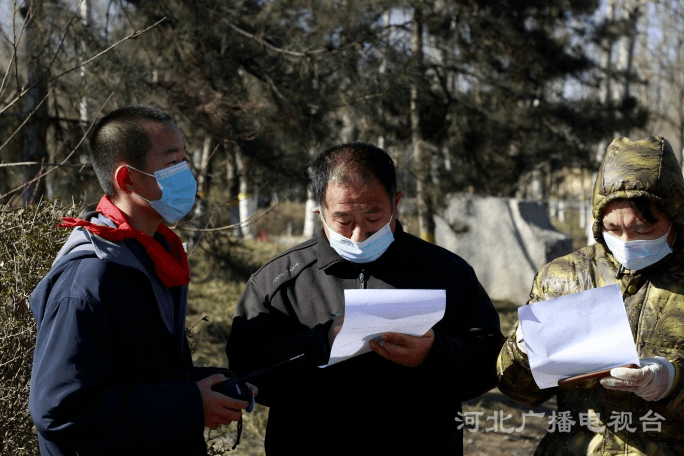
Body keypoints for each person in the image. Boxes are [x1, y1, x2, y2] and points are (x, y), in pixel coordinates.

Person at [226, 141, 504, 456]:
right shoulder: (280, 281)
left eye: (374, 217)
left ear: (396, 203)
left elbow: (490, 359)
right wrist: (322, 344)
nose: (359, 235)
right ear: (319, 209)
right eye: (343, 220)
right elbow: (247, 367)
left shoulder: (448, 274)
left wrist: (432, 355)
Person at [29, 105, 254, 456]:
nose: (185, 175)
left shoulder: (153, 253)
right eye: (171, 163)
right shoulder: (88, 279)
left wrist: (204, 387)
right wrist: (189, 405)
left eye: (185, 161)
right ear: (127, 179)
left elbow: (140, 372)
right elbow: (59, 411)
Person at [497, 136, 684, 455]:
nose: (626, 241)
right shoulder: (562, 278)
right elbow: (521, 392)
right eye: (613, 228)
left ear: (674, 217)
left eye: (642, 230)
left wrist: (671, 380)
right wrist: (523, 351)